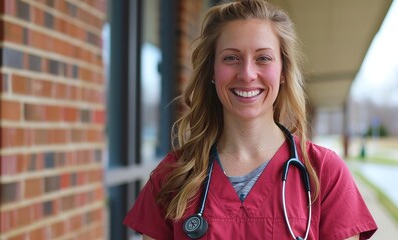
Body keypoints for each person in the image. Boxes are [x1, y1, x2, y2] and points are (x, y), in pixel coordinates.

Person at [123, 0, 377, 239]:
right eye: (231, 57)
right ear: (212, 71)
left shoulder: (324, 173)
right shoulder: (173, 175)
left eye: (263, 58)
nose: (247, 73)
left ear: (283, 72)